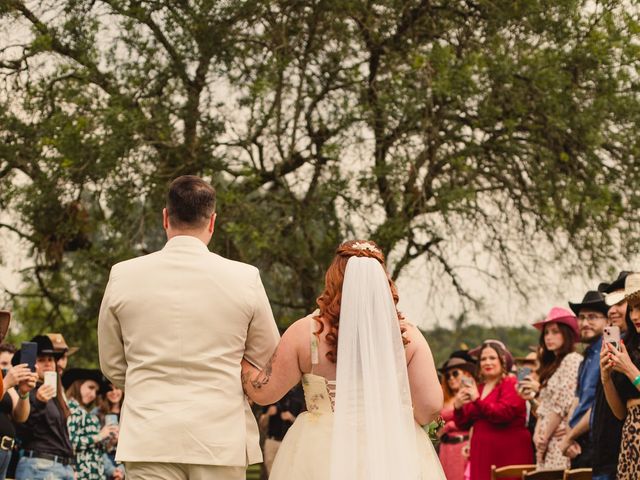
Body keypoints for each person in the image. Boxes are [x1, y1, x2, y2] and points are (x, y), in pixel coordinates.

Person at [98, 175, 280, 480]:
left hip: (149, 433)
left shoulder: (123, 275)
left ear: (165, 217)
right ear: (212, 222)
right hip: (219, 435)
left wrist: (147, 386)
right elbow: (267, 354)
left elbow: (112, 363)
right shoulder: (244, 277)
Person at [240, 240, 446, 479]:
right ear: (384, 283)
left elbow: (265, 392)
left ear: (333, 278)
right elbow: (430, 406)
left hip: (320, 450)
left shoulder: (306, 332)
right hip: (391, 450)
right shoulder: (407, 336)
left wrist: (241, 363)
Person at [454, 340, 533, 480]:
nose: (487, 362)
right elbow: (464, 424)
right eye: (483, 359)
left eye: (492, 358)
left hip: (508, 454)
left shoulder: (511, 383)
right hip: (481, 455)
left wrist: (477, 400)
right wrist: (458, 407)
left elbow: (502, 414)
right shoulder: (478, 388)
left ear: (502, 361)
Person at [523, 308, 582, 470]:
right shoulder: (551, 365)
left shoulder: (572, 359)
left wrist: (545, 435)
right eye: (546, 333)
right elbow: (545, 407)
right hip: (544, 440)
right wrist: (538, 434)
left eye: (555, 332)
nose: (549, 337)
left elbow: (562, 405)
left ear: (566, 333)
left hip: (559, 438)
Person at [13, 335, 75, 480]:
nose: (48, 364)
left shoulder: (55, 393)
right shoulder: (25, 391)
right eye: (41, 360)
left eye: (51, 359)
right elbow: (21, 430)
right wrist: (39, 403)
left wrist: (71, 466)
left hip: (62, 467)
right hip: (40, 466)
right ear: (31, 364)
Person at [559, 290, 608, 468]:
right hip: (577, 442)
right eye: (581, 317)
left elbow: (598, 406)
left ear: (607, 320)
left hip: (595, 442)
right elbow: (578, 399)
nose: (585, 323)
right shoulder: (587, 355)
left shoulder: (607, 353)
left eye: (592, 317)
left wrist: (569, 437)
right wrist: (569, 436)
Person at [589, 271, 630, 480]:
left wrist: (630, 369)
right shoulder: (619, 344)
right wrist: (606, 377)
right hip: (605, 455)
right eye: (610, 303)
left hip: (623, 453)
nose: (612, 310)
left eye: (620, 302)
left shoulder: (631, 351)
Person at [600, 272, 640, 480]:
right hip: (630, 443)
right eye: (632, 308)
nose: (634, 316)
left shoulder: (628, 360)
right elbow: (620, 413)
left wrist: (630, 370)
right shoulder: (630, 346)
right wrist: (606, 377)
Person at [63, 368, 117, 480]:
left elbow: (96, 449)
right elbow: (70, 443)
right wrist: (100, 435)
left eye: (96, 391)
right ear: (78, 385)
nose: (93, 394)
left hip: (96, 473)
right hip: (80, 473)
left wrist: (110, 442)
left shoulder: (86, 413)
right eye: (90, 387)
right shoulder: (70, 408)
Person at [0, 344, 37, 480]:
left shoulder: (8, 386)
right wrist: (5, 382)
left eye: (12, 365)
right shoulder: (5, 381)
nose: (9, 369)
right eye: (4, 363)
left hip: (6, 451)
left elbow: (21, 416)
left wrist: (24, 392)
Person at [437, 351, 476, 480]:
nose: (451, 378)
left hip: (463, 446)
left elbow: (474, 421)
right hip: (445, 447)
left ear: (465, 374)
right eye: (447, 376)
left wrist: (449, 426)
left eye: (455, 373)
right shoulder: (442, 398)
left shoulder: (471, 395)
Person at [259, 385, 304, 476]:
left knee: (287, 471)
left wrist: (291, 418)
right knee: (270, 472)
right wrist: (268, 414)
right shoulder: (271, 401)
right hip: (272, 441)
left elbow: (303, 426)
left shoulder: (297, 402)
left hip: (288, 442)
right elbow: (261, 425)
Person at [95, 382, 125, 480]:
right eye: (110, 389)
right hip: (104, 462)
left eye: (117, 388)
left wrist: (121, 470)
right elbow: (95, 446)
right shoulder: (97, 413)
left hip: (125, 462)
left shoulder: (128, 413)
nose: (114, 392)